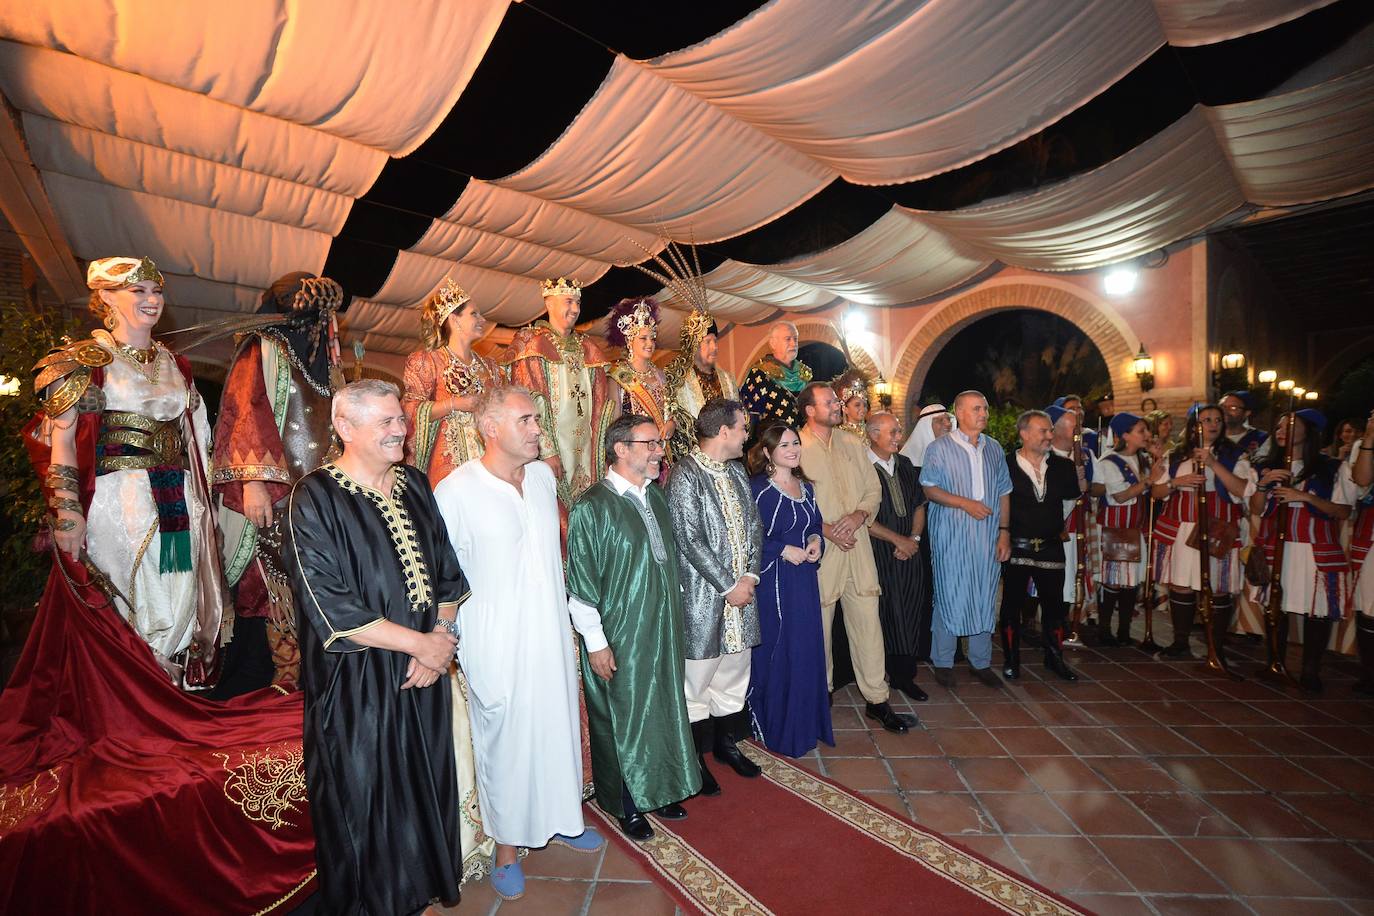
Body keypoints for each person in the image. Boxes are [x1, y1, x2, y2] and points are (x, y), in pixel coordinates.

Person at [286, 379, 465, 914]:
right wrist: (425, 646)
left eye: (400, 418)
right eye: (385, 421)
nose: (400, 429)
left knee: (425, 789)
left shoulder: (414, 483)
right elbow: (331, 606)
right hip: (356, 687)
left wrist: (439, 642)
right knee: (365, 809)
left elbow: (448, 576)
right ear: (344, 427)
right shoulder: (314, 497)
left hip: (421, 676)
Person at [433, 387, 603, 899]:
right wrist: (451, 639)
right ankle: (506, 847)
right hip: (493, 640)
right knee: (503, 741)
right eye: (526, 420)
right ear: (490, 428)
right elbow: (443, 576)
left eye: (537, 419)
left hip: (550, 633)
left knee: (557, 727)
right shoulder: (456, 490)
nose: (537, 429)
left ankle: (563, 817)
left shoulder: (544, 478)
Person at [32, 256, 225, 687]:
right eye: (138, 291)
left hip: (178, 497)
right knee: (126, 600)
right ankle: (134, 699)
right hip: (120, 501)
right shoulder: (84, 361)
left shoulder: (176, 364)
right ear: (105, 296)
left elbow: (196, 437)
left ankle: (171, 694)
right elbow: (62, 442)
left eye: (156, 290)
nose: (152, 299)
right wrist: (67, 511)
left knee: (179, 595)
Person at [566, 415, 700, 841]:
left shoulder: (655, 497)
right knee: (622, 719)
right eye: (650, 443)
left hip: (662, 628)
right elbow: (581, 587)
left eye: (659, 443)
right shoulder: (592, 506)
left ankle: (659, 788)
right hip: (620, 634)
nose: (660, 451)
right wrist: (596, 643)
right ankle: (625, 803)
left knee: (662, 708)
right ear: (620, 449)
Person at [212, 271, 345, 692]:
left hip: (322, 493)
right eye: (325, 316)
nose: (330, 326)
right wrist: (252, 482)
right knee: (277, 584)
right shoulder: (264, 349)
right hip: (278, 492)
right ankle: (285, 680)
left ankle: (322, 673)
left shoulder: (325, 364)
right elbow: (244, 410)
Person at [797, 383, 913, 733]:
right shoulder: (795, 446)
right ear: (809, 410)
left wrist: (860, 515)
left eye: (836, 400)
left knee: (868, 624)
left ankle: (878, 699)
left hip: (858, 546)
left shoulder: (853, 442)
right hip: (821, 548)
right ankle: (821, 698)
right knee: (819, 629)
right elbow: (791, 497)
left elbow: (872, 490)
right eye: (829, 401)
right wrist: (826, 527)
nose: (837, 405)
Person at [665, 399, 763, 793]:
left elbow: (754, 525)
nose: (746, 435)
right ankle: (695, 760)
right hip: (705, 598)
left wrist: (750, 577)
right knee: (697, 680)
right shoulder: (685, 475)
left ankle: (726, 745)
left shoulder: (738, 471)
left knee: (734, 673)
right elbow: (689, 538)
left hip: (742, 595)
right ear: (723, 431)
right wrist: (729, 585)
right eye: (742, 428)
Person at [503, 276, 619, 533]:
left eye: (578, 302)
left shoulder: (588, 347)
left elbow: (600, 403)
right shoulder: (531, 345)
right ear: (549, 303)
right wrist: (546, 450)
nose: (575, 309)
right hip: (549, 453)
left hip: (587, 454)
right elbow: (529, 401)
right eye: (568, 301)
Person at [1252, 409, 1356, 692]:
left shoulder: (1332, 468)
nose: (1281, 429)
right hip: (1277, 547)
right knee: (1275, 606)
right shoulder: (1267, 465)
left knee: (1317, 610)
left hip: (1315, 548)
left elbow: (1343, 511)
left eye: (1290, 424)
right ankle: (1275, 663)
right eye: (1279, 424)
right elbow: (1256, 509)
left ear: (1308, 431)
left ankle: (1310, 671)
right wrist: (1263, 485)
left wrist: (1303, 497)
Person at [745, 421, 833, 757]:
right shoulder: (757, 490)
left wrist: (814, 541)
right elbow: (747, 539)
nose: (793, 449)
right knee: (780, 650)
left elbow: (813, 523)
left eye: (795, 443)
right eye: (784, 445)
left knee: (806, 650)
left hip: (804, 582)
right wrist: (782, 549)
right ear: (767, 452)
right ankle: (774, 727)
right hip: (774, 585)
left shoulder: (806, 487)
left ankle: (805, 724)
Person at [921, 390, 1013, 689]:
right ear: (959, 413)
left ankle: (980, 662)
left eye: (985, 408)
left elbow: (1003, 491)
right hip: (951, 535)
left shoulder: (995, 448)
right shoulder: (939, 448)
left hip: (987, 537)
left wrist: (1004, 531)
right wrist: (965, 503)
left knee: (984, 593)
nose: (983, 413)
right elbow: (930, 490)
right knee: (950, 593)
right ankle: (944, 661)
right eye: (976, 408)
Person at [1152, 404, 1256, 660]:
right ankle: (1180, 642)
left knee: (1218, 587)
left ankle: (1215, 646)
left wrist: (1212, 463)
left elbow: (1243, 490)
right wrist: (1177, 483)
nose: (1212, 424)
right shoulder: (1176, 456)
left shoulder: (1234, 455)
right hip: (1182, 527)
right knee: (1181, 585)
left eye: (1217, 420)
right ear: (1193, 426)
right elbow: (1156, 492)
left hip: (1217, 528)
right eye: (1206, 420)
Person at [1000, 410, 1084, 681]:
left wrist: (1055, 525)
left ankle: (1054, 657)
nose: (1050, 435)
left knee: (1054, 606)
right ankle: (1012, 660)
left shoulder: (1063, 467)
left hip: (1050, 546)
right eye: (1043, 431)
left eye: (1051, 430)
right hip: (1017, 546)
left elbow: (1070, 500)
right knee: (1012, 605)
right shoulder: (1005, 464)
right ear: (1024, 434)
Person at [403, 277, 504, 488]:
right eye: (474, 314)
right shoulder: (428, 361)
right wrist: (455, 404)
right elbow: (409, 411)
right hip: (450, 463)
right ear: (454, 319)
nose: (483, 319)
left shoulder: (491, 367)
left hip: (490, 459)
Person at [865, 411, 931, 701]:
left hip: (911, 550)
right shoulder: (862, 467)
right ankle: (884, 675)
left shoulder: (904, 464)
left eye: (899, 432)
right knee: (887, 614)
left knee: (912, 609)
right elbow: (863, 516)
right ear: (873, 434)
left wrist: (914, 539)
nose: (898, 437)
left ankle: (906, 676)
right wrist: (897, 540)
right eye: (891, 432)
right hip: (880, 551)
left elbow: (919, 505)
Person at [1096, 413, 1165, 647]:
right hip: (1116, 529)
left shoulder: (1144, 460)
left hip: (1137, 529)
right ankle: (1104, 630)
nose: (1147, 435)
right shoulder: (1109, 461)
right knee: (1113, 581)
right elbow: (1119, 496)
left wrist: (1157, 460)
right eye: (1141, 431)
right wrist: (1148, 481)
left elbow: (1158, 484)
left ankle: (1124, 631)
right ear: (1124, 435)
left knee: (1131, 581)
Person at [900, 402, 952, 662]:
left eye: (948, 420)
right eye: (940, 421)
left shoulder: (954, 457)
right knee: (925, 589)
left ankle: (947, 646)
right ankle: (923, 646)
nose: (947, 425)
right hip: (924, 536)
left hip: (951, 534)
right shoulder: (909, 462)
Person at [607, 297, 675, 481]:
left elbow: (670, 412)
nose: (649, 343)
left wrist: (671, 425)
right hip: (634, 456)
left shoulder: (661, 376)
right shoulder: (617, 377)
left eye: (652, 338)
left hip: (662, 456)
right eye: (643, 338)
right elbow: (614, 425)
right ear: (630, 341)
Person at [1047, 403, 1098, 624]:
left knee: (1074, 575)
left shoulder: (1086, 455)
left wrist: (1086, 485)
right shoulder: (1045, 459)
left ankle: (1070, 621)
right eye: (1072, 427)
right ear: (1055, 430)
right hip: (1057, 529)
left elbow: (1097, 488)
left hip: (1080, 525)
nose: (1078, 432)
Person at [669, 306, 740, 459]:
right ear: (693, 345)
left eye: (715, 341)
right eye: (707, 342)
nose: (714, 347)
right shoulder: (678, 381)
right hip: (692, 461)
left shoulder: (728, 380)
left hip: (728, 457)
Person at [741, 321, 811, 428]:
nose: (794, 343)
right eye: (788, 339)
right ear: (773, 343)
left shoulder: (805, 373)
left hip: (808, 439)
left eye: (795, 339)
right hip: (775, 440)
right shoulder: (760, 373)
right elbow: (751, 416)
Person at [1349, 413, 1374, 696]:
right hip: (1371, 532)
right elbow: (1362, 480)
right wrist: (1369, 437)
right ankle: (1369, 673)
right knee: (1369, 605)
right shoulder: (1365, 445)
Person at [1220, 391, 1270, 459]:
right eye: (1222, 406)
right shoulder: (1208, 436)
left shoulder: (1261, 439)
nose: (1225, 411)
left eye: (1233, 408)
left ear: (1247, 413)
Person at [836, 371, 870, 438]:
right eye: (857, 405)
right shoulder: (838, 435)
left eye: (865, 405)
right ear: (845, 408)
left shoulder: (869, 432)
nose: (863, 409)